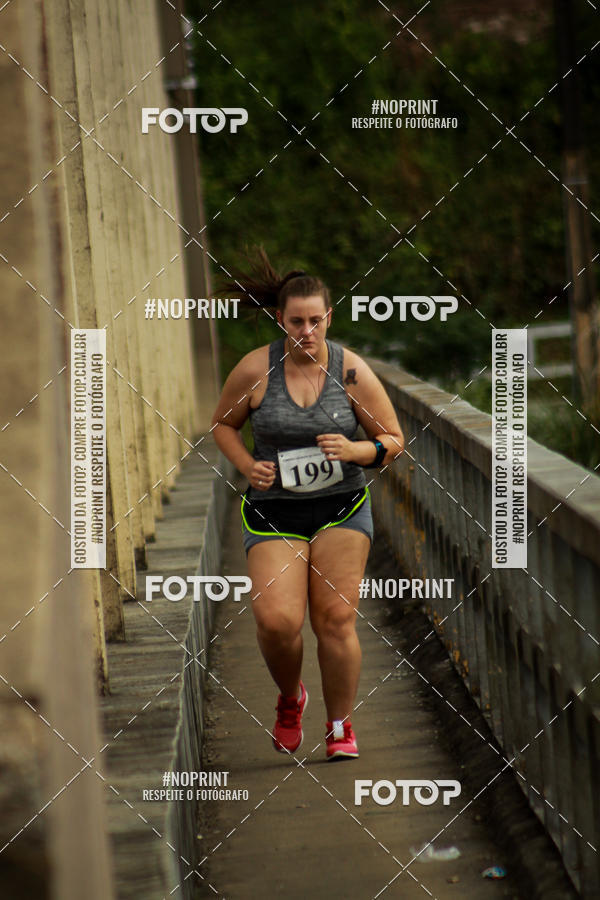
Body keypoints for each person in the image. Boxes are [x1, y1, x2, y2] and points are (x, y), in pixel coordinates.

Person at [211, 249, 404, 760]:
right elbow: (222, 425)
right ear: (281, 319)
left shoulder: (352, 372)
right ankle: (290, 696)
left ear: (328, 319)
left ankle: (340, 724)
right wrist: (247, 464)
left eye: (315, 321)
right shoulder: (255, 369)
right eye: (296, 321)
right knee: (277, 622)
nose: (306, 330)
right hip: (274, 511)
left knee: (335, 620)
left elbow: (392, 440)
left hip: (341, 505)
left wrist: (356, 450)